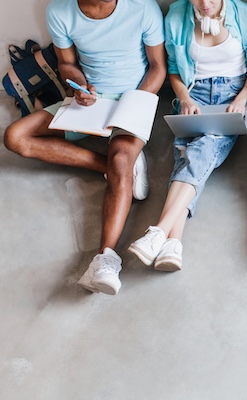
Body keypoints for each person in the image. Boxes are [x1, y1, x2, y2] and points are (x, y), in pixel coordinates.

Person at [3, 0, 166, 295]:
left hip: (134, 97)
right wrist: (78, 87)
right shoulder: (60, 10)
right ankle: (119, 171)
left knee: (120, 160)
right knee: (15, 136)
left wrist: (133, 105)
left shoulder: (143, 7)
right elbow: (67, 64)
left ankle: (106, 259)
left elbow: (157, 68)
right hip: (90, 101)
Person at [128, 0, 247, 271]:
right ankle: (172, 244)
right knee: (187, 155)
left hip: (232, 95)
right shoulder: (177, 16)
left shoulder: (246, 15)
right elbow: (175, 72)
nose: (205, 4)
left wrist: (242, 99)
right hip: (194, 93)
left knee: (201, 149)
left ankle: (159, 231)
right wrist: (185, 98)